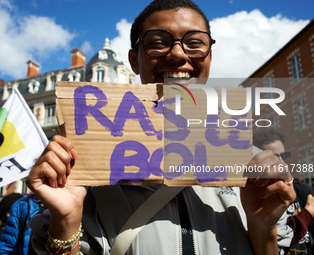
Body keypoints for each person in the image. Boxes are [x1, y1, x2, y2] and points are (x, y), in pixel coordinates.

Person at [26, 0, 296, 254]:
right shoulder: (84, 163)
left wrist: (264, 229)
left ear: (209, 56)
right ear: (134, 60)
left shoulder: (250, 163)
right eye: (157, 43)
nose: (178, 54)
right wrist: (66, 220)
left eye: (194, 43)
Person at [254, 128, 314, 255]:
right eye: (274, 158)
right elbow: (266, 243)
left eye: (284, 156)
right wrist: (305, 216)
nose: (281, 163)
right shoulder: (254, 199)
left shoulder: (301, 190)